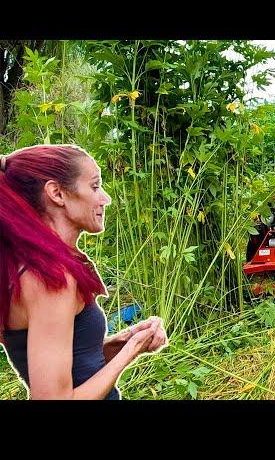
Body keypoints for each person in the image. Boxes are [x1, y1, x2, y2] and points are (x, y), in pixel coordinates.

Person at [0, 144, 168, 400]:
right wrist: (130, 352)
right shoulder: (51, 279)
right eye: (94, 186)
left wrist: (121, 343)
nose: (105, 198)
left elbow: (71, 363)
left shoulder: (33, 270)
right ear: (57, 193)